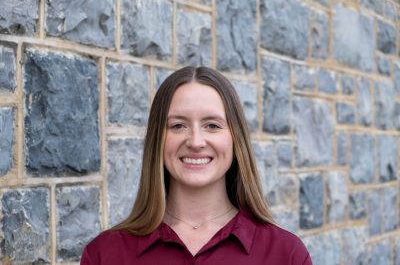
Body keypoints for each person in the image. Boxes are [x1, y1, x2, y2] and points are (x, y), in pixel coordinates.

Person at [81, 66, 313, 265]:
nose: (195, 142)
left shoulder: (286, 254)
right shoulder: (105, 254)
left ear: (235, 139)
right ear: (157, 140)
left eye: (212, 125)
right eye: (178, 125)